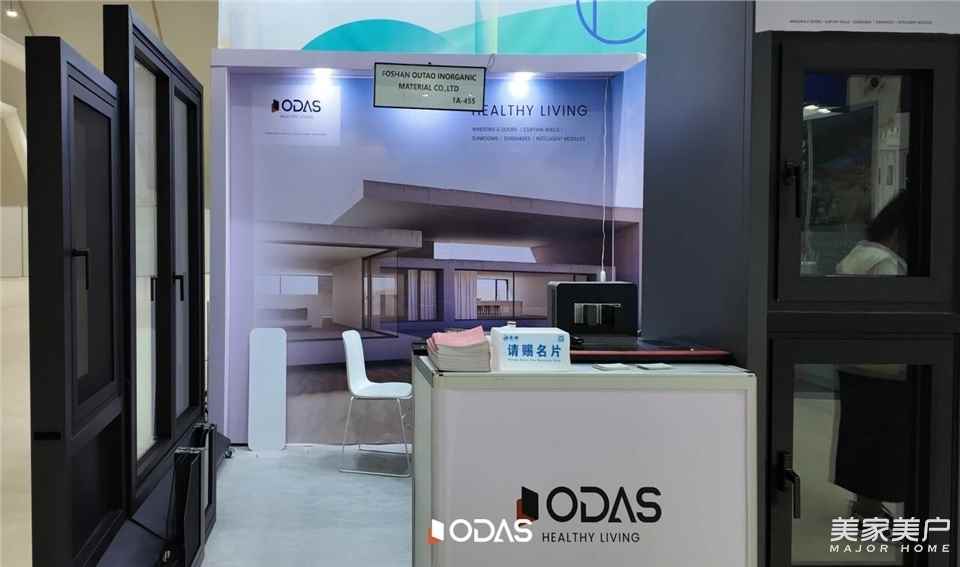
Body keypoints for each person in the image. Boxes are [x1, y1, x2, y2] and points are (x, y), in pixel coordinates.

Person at [833, 190, 912, 519]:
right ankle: (869, 508)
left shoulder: (857, 254)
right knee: (884, 440)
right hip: (886, 368)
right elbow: (889, 320)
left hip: (853, 364)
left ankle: (865, 503)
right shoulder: (886, 263)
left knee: (860, 435)